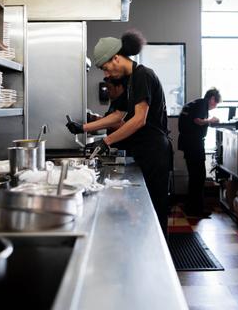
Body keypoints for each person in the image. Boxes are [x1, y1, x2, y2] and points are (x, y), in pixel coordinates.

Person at [66, 30, 171, 236]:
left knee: (156, 208)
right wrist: (83, 128)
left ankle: (160, 257)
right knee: (146, 207)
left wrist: (105, 141)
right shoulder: (131, 80)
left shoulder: (143, 75)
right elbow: (117, 115)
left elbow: (139, 119)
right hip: (145, 150)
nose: (106, 75)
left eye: (105, 68)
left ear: (116, 58)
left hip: (155, 151)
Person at [178, 88, 221, 217]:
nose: (215, 106)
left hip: (188, 142)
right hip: (194, 143)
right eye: (216, 103)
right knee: (199, 176)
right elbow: (197, 120)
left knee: (194, 176)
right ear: (212, 99)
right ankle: (196, 209)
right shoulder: (202, 104)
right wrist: (211, 120)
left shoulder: (195, 103)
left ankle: (191, 207)